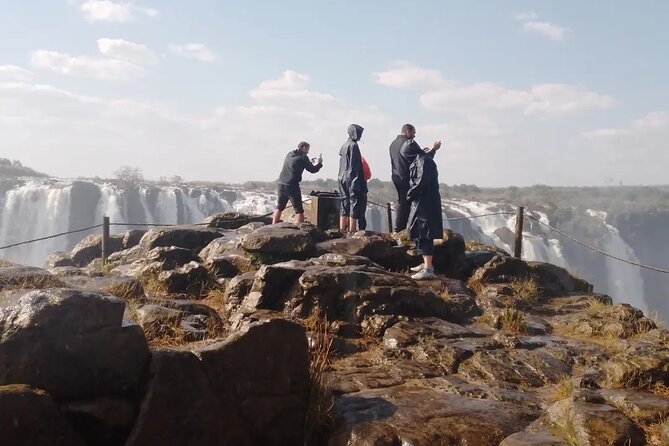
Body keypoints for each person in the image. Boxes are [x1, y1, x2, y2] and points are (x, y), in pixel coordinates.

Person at [389, 124, 441, 232]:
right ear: (408, 131)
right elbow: (423, 160)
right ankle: (402, 231)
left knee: (402, 203)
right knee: (410, 206)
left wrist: (420, 151)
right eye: (413, 133)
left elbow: (407, 157)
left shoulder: (393, 144)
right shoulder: (409, 143)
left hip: (396, 177)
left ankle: (400, 230)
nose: (414, 135)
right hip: (408, 179)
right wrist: (434, 149)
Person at [407, 147, 443, 280]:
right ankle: (426, 264)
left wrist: (409, 195)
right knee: (419, 232)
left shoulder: (424, 161)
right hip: (422, 202)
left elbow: (421, 181)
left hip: (425, 203)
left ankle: (428, 268)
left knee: (425, 233)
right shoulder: (422, 159)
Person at [272, 141, 322, 224]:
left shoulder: (290, 154)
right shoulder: (303, 157)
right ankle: (300, 229)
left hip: (281, 183)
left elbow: (295, 163)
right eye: (308, 149)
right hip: (292, 185)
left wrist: (309, 162)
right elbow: (312, 170)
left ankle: (272, 226)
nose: (308, 151)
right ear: (304, 147)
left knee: (279, 207)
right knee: (299, 210)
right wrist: (319, 163)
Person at [338, 124, 367, 232]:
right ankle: (352, 229)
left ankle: (342, 229)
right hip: (352, 178)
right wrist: (356, 181)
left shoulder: (344, 145)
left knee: (344, 202)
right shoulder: (353, 146)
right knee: (354, 202)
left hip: (341, 177)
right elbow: (354, 166)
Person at [357, 154, 372, 230]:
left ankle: (348, 229)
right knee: (361, 213)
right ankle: (361, 230)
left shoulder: (344, 160)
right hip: (361, 189)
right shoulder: (361, 160)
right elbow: (368, 175)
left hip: (349, 189)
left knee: (348, 212)